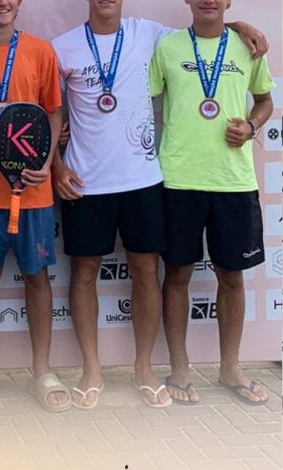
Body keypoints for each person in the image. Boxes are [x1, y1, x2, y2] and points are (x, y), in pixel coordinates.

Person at [51, 0, 268, 409]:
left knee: (150, 271)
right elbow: (52, 108)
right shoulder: (64, 47)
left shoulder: (149, 34)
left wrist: (240, 25)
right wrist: (57, 164)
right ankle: (93, 370)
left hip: (145, 179)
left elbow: (209, 28)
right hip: (89, 180)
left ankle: (148, 370)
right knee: (85, 271)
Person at [151, 0, 274, 406]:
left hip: (233, 181)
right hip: (178, 179)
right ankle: (179, 368)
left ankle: (230, 367)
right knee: (177, 275)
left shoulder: (248, 47)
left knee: (232, 277)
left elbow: (264, 100)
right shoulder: (167, 47)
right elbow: (142, 101)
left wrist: (252, 125)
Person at [0, 0, 67, 414]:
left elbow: (53, 112)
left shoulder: (41, 51)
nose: (2, 2)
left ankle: (43, 371)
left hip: (33, 191)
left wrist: (44, 162)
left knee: (37, 277)